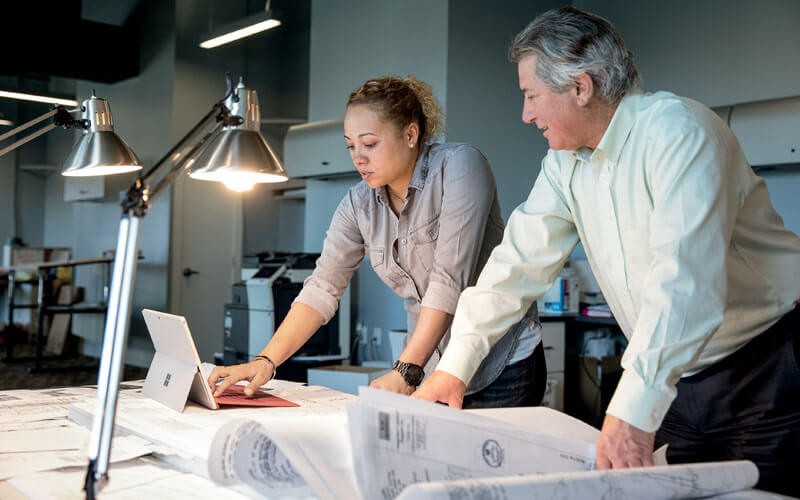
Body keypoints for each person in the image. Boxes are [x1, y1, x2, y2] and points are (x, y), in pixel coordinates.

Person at [412, 6, 800, 496]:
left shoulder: (680, 132)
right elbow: (513, 267)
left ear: (581, 86)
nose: (525, 114)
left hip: (764, 369)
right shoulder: (564, 164)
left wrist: (633, 409)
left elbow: (686, 284)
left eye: (532, 95)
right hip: (675, 377)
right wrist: (453, 368)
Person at [208, 75, 545, 409]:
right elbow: (321, 288)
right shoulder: (358, 206)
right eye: (351, 145)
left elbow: (448, 280)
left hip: (500, 364)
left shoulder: (460, 167)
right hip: (431, 368)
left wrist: (406, 370)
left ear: (411, 134)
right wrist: (266, 361)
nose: (358, 157)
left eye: (369, 144)